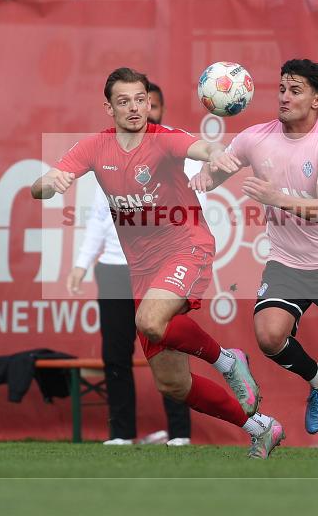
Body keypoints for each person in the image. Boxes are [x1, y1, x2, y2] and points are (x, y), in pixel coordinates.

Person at [32, 67, 284, 459]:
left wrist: (216, 154)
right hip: (142, 269)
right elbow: (40, 186)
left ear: (149, 103)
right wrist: (51, 184)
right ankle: (260, 428)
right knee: (173, 385)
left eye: (140, 100)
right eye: (124, 101)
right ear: (109, 108)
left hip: (186, 245)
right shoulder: (94, 148)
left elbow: (199, 147)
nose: (134, 108)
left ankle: (227, 361)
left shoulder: (162, 140)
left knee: (149, 321)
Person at [190, 59, 318, 460]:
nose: (284, 96)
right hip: (287, 263)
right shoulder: (254, 138)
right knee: (268, 335)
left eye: (295, 90)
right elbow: (211, 176)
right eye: (282, 88)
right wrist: (202, 176)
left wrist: (276, 198)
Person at [67, 82, 193, 446]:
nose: (142, 110)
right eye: (135, 103)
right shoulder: (107, 154)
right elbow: (97, 217)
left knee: (169, 348)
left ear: (160, 112)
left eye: (150, 104)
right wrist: (81, 263)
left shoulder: (173, 154)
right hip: (113, 268)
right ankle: (121, 433)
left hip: (160, 267)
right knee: (115, 352)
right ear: (118, 110)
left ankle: (179, 433)